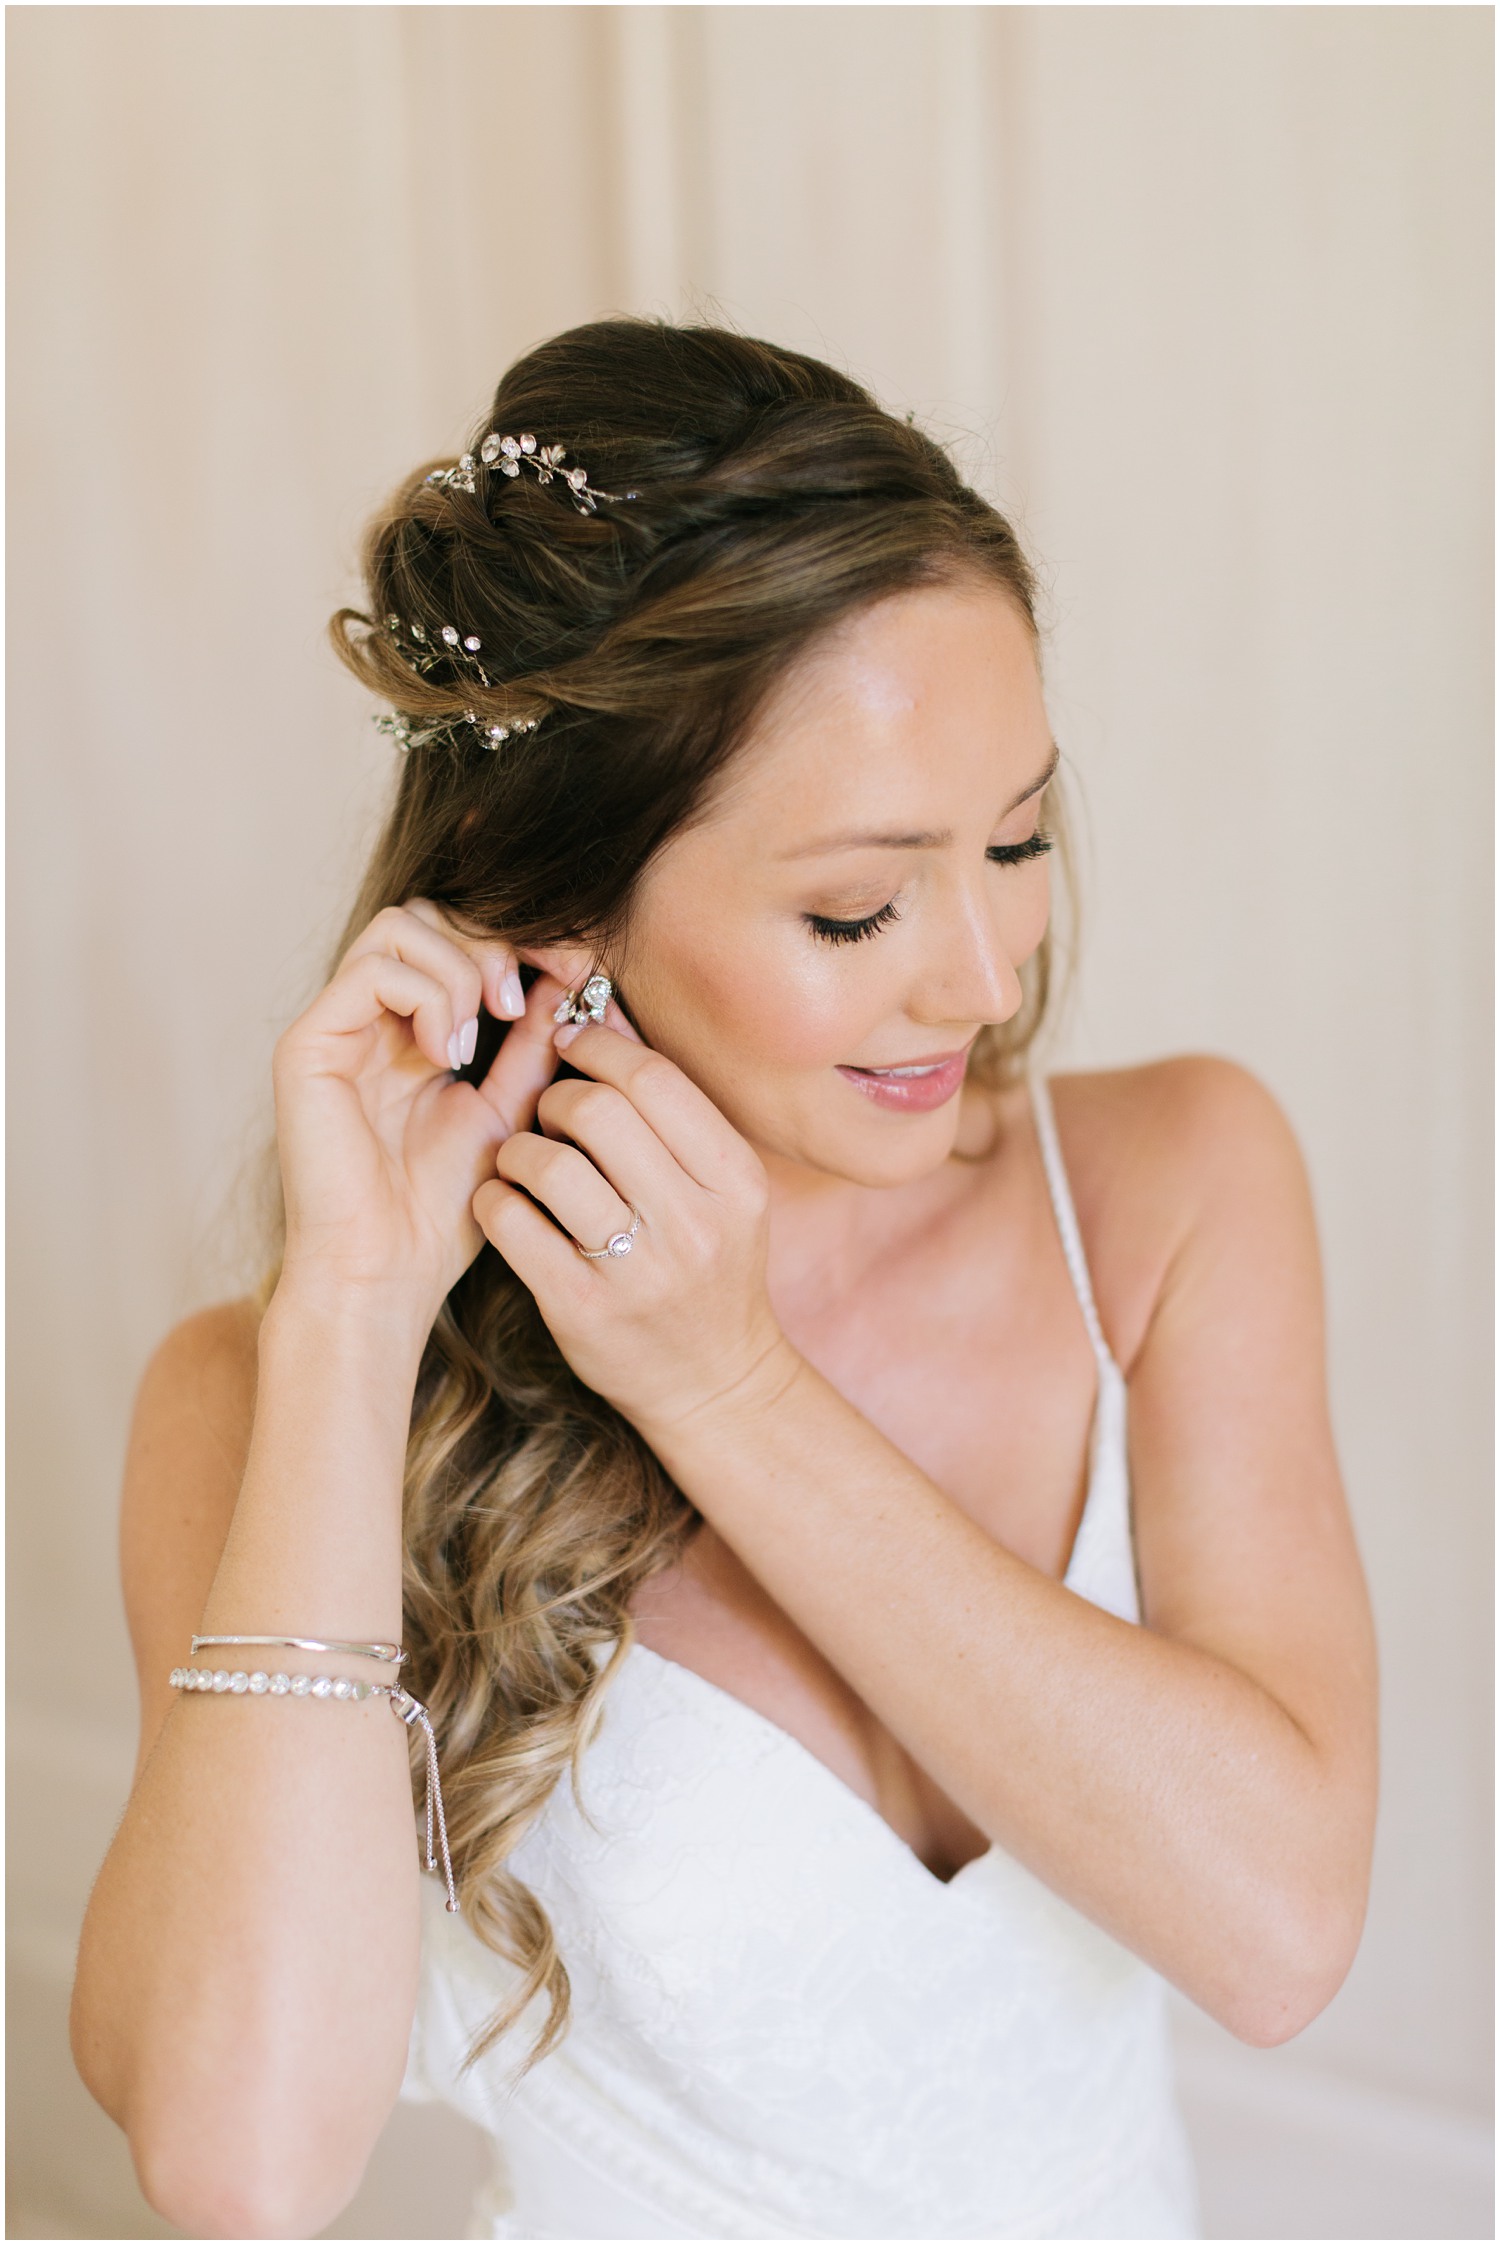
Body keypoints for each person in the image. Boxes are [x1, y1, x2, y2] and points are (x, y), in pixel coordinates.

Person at [70, 317, 1378, 2242]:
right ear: (562, 903)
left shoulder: (1177, 1188)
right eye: (858, 904)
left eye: (1015, 839)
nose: (987, 975)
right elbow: (238, 2168)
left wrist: (732, 1388)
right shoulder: (262, 1399)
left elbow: (1277, 1932)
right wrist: (351, 1320)